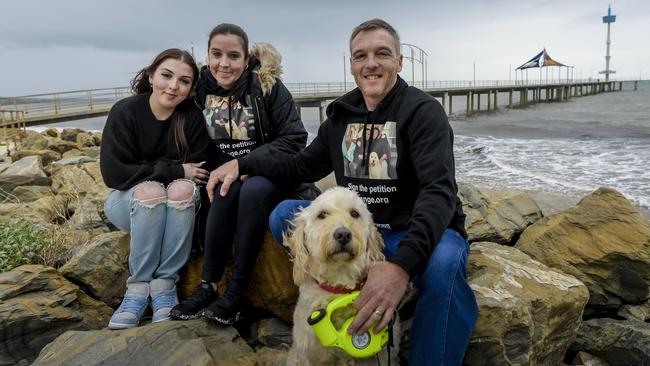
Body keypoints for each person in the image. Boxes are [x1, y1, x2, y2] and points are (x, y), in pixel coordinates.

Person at [208, 19, 478, 365]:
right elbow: (301, 167)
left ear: (399, 61)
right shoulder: (341, 115)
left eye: (382, 54)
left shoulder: (423, 112)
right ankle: (329, 288)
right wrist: (244, 164)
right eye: (360, 56)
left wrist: (399, 267)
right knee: (283, 215)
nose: (371, 64)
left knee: (444, 264)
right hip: (350, 228)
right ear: (351, 64)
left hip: (408, 231)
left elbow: (438, 194)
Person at [170, 23, 314, 326]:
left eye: (233, 56)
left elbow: (294, 137)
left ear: (246, 59)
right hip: (222, 176)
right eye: (217, 54)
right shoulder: (198, 87)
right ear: (207, 55)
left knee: (249, 190)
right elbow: (160, 94)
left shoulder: (266, 86)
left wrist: (247, 163)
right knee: (221, 189)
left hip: (265, 174)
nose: (225, 63)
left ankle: (235, 293)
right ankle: (208, 287)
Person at [100, 48, 219, 329]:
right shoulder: (126, 111)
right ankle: (137, 290)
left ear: (190, 89)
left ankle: (165, 286)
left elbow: (199, 171)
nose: (173, 86)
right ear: (152, 76)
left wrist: (166, 173)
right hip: (126, 203)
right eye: (166, 76)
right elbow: (115, 174)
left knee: (183, 191)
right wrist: (175, 169)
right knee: (152, 191)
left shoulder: (190, 116)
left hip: (173, 203)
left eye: (184, 81)